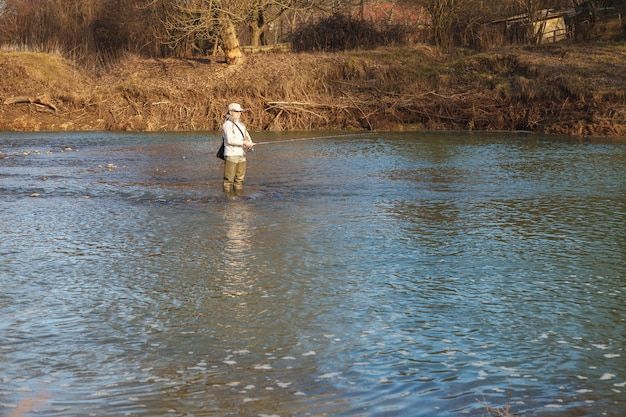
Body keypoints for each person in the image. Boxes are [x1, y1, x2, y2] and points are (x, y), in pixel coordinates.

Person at [221, 102, 254, 193]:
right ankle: (227, 198)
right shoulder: (227, 124)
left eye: (240, 111)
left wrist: (250, 144)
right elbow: (230, 140)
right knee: (228, 180)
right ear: (230, 112)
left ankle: (239, 197)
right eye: (237, 111)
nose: (239, 113)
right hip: (231, 154)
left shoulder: (241, 125)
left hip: (242, 154)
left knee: (239, 179)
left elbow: (247, 137)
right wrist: (244, 142)